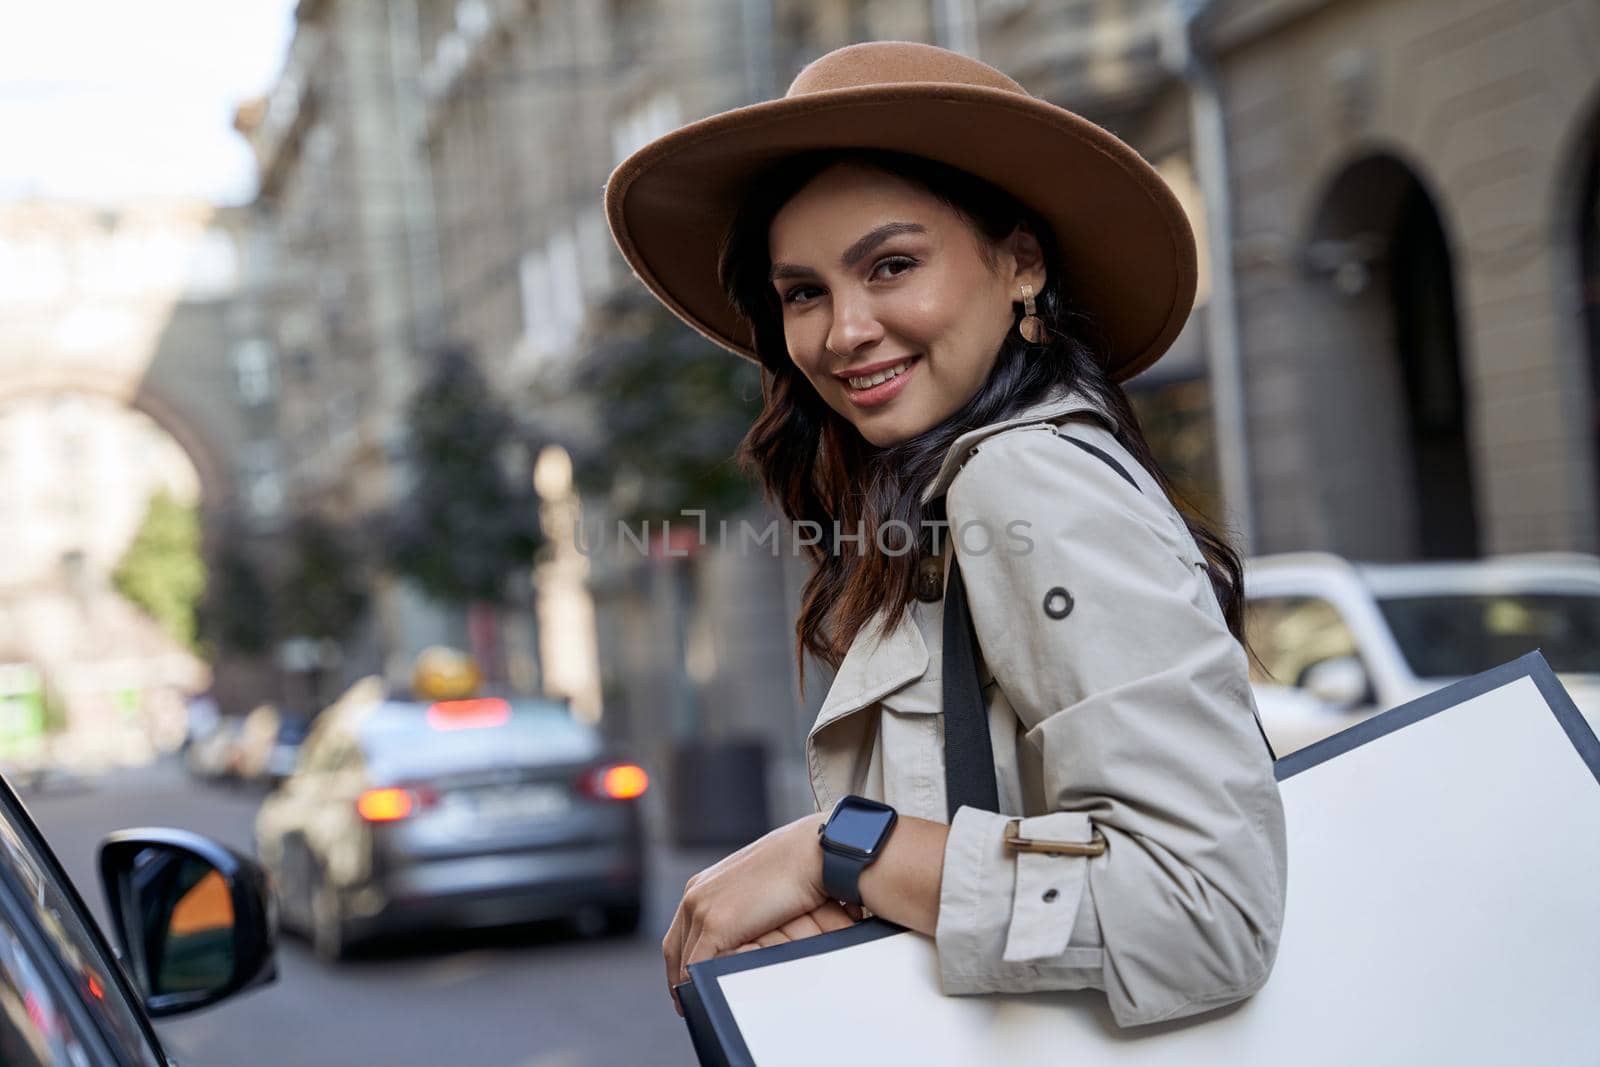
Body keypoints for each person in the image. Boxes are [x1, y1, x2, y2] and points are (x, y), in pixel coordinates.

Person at [605, 41, 1287, 1029]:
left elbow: (1200, 910)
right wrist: (848, 900)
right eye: (803, 292)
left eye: (891, 265)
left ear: (1020, 263)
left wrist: (836, 850)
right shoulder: (938, 503)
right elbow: (999, 836)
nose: (842, 330)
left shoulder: (1024, 479)